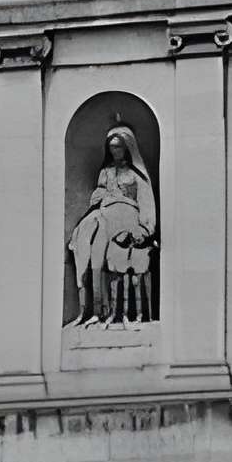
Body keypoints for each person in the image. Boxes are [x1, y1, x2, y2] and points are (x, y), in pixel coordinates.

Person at [68, 124, 158, 324]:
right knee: (87, 237)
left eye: (118, 146)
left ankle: (118, 312)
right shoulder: (106, 172)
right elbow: (97, 196)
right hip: (106, 213)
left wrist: (145, 227)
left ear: (127, 147)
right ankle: (92, 310)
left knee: (116, 250)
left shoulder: (136, 175)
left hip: (128, 216)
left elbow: (146, 201)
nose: (114, 151)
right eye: (112, 147)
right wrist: (99, 196)